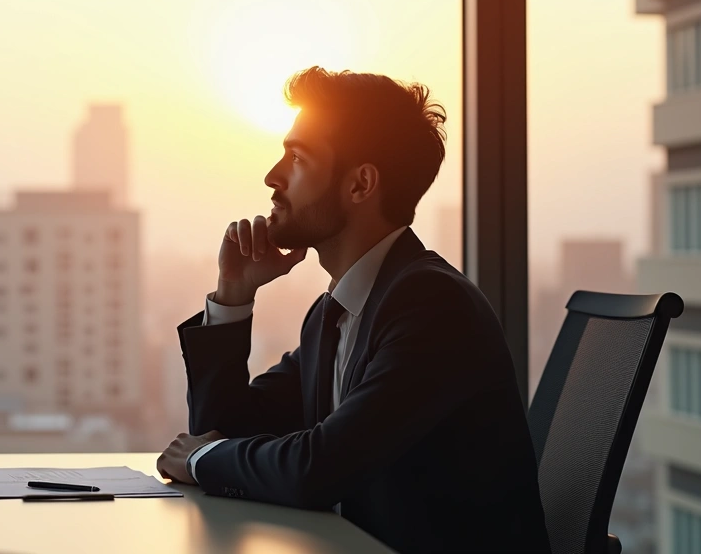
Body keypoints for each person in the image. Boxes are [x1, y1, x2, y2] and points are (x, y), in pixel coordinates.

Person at [156, 67, 550, 553]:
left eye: (297, 157)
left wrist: (202, 459)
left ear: (360, 184)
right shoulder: (334, 314)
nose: (272, 176)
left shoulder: (433, 308)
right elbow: (223, 430)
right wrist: (233, 294)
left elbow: (317, 469)